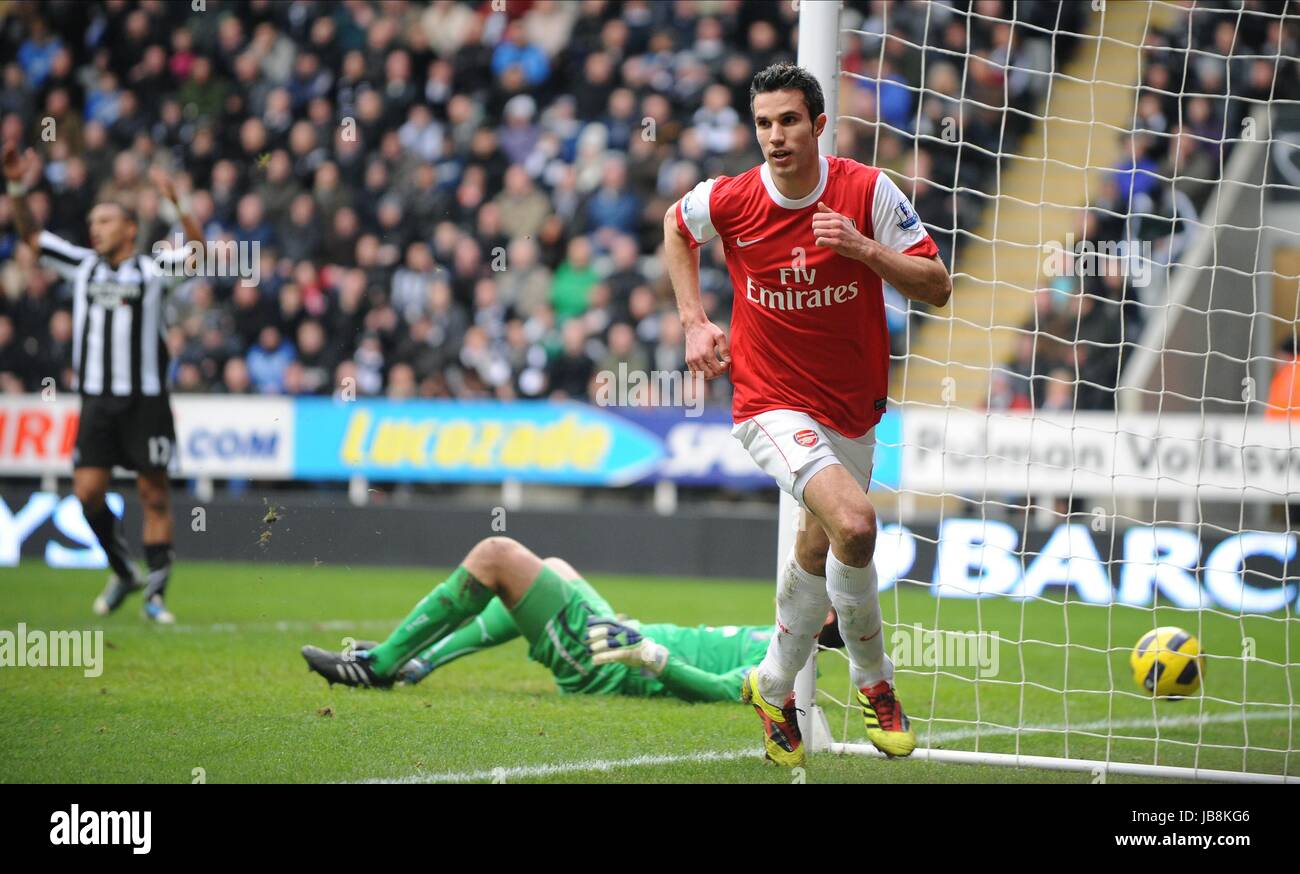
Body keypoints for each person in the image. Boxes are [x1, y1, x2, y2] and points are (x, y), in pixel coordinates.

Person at [663, 63, 952, 765]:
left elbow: (938, 286)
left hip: (852, 409)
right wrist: (695, 323)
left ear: (818, 125)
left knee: (819, 547)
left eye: (789, 120)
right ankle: (875, 682)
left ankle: (770, 686)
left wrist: (862, 249)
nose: (775, 136)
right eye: (763, 123)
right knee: (855, 523)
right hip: (768, 402)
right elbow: (676, 225)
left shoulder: (867, 191)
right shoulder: (732, 199)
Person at [3, 140, 202, 622]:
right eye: (92, 223)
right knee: (88, 492)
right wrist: (15, 186)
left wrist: (180, 203)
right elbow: (31, 237)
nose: (95, 229)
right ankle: (123, 569)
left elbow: (196, 253)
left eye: (105, 221)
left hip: (147, 401)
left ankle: (155, 594)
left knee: (154, 494)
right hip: (96, 400)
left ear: (130, 229)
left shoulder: (153, 271)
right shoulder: (81, 265)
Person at [301, 535, 842, 703]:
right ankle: (417, 663)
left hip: (606, 662)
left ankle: (383, 664)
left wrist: (646, 655)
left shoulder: (786, 667)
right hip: (620, 635)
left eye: (825, 597)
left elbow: (724, 693)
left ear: (823, 625)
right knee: (553, 568)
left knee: (496, 556)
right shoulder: (774, 634)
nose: (811, 588)